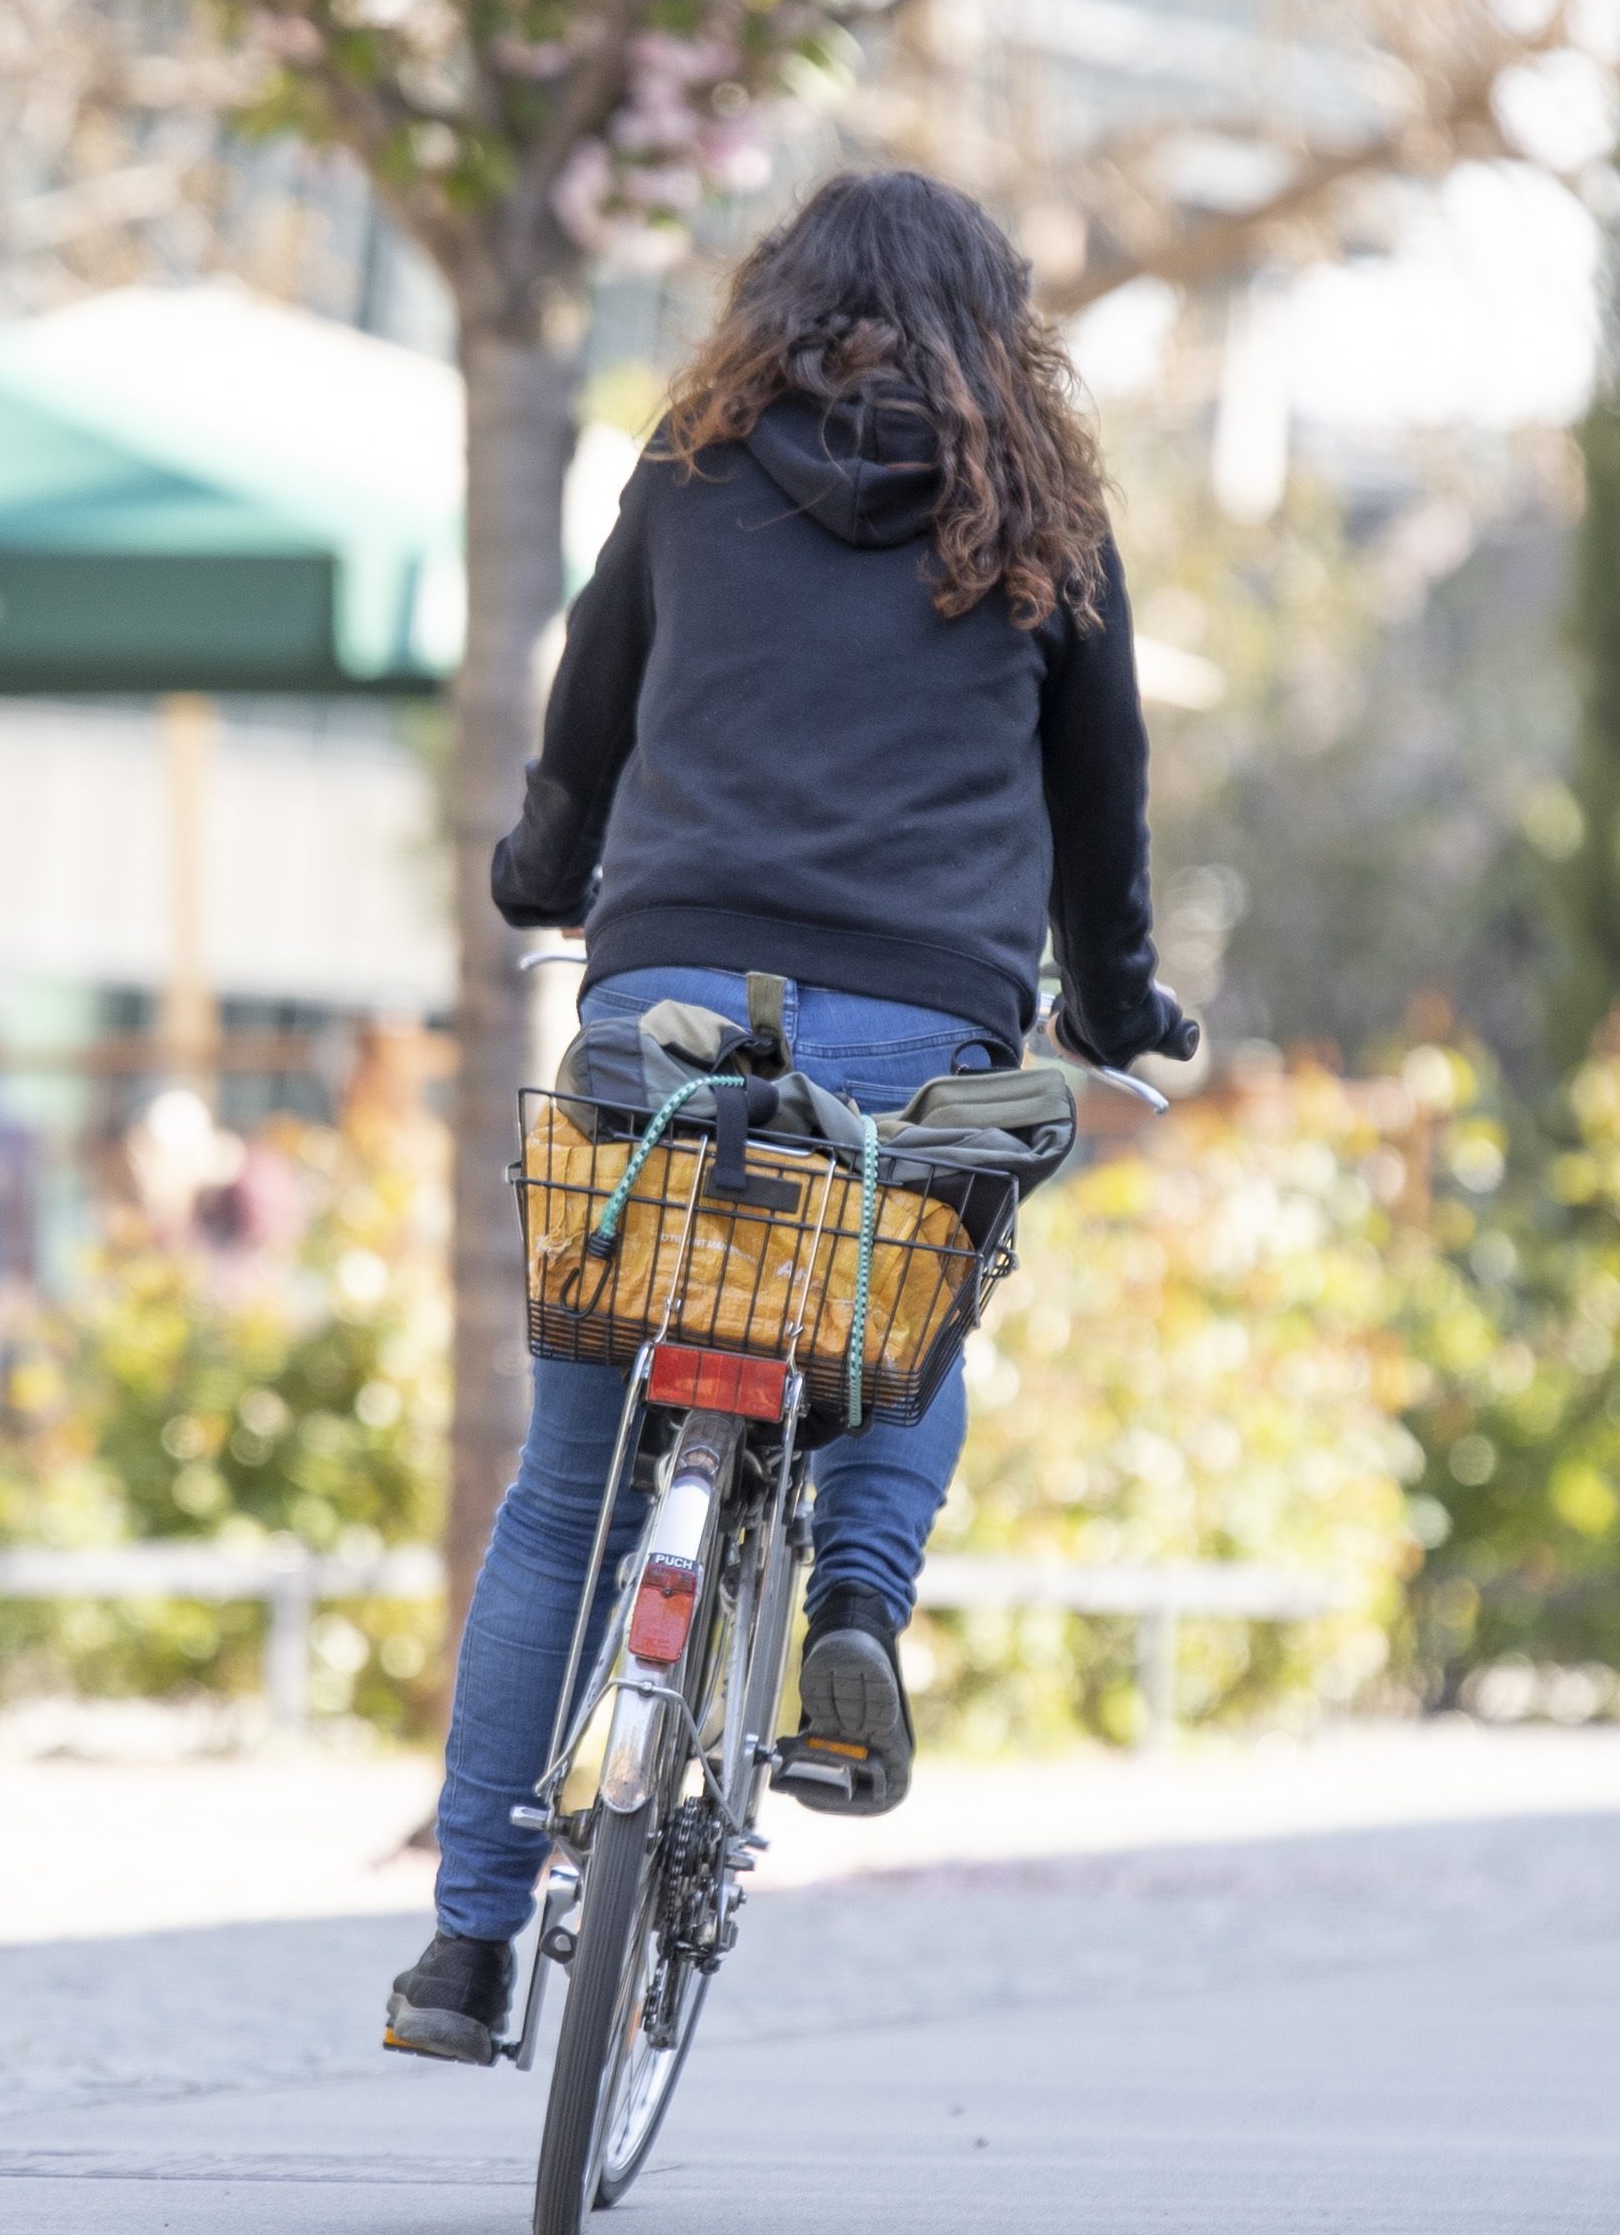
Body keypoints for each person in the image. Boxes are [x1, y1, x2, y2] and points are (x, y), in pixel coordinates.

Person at [384, 171, 1200, 2063]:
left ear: (779, 300)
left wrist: (541, 872)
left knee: (566, 1490)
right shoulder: (1044, 515)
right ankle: (850, 1602)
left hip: (667, 1000)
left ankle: (466, 1948)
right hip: (920, 1019)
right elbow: (1104, 810)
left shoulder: (689, 471)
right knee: (916, 1295)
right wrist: (1117, 1003)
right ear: (1001, 327)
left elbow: (585, 723)